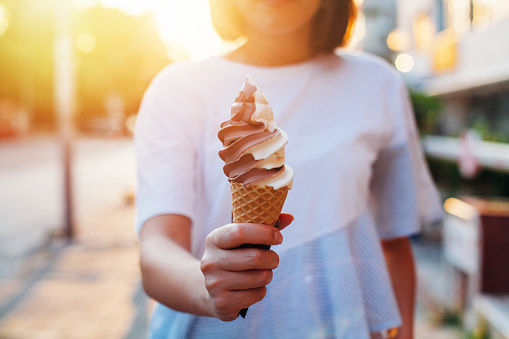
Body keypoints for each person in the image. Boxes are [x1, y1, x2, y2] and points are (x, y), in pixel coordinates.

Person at [134, 0, 443, 338]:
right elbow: (156, 252)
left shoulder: (378, 84)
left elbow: (394, 243)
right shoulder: (177, 89)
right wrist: (208, 288)